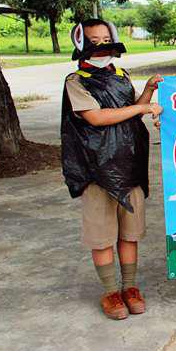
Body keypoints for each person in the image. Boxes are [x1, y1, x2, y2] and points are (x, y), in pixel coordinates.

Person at [61, 19, 163, 320]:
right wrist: (141, 108)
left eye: (107, 39)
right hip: (96, 170)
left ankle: (130, 287)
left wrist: (147, 91)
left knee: (130, 234)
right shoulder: (76, 81)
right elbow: (97, 117)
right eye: (94, 40)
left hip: (128, 165)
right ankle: (110, 291)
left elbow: (132, 112)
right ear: (81, 44)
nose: (102, 45)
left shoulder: (121, 75)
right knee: (102, 235)